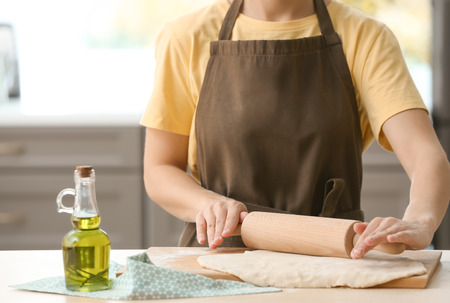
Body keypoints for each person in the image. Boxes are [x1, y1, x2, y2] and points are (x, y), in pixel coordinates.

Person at [141, 0, 450, 259]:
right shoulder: (185, 36)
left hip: (332, 259)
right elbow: (160, 167)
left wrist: (421, 220)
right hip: (218, 258)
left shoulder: (365, 37)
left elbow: (425, 155)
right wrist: (207, 205)